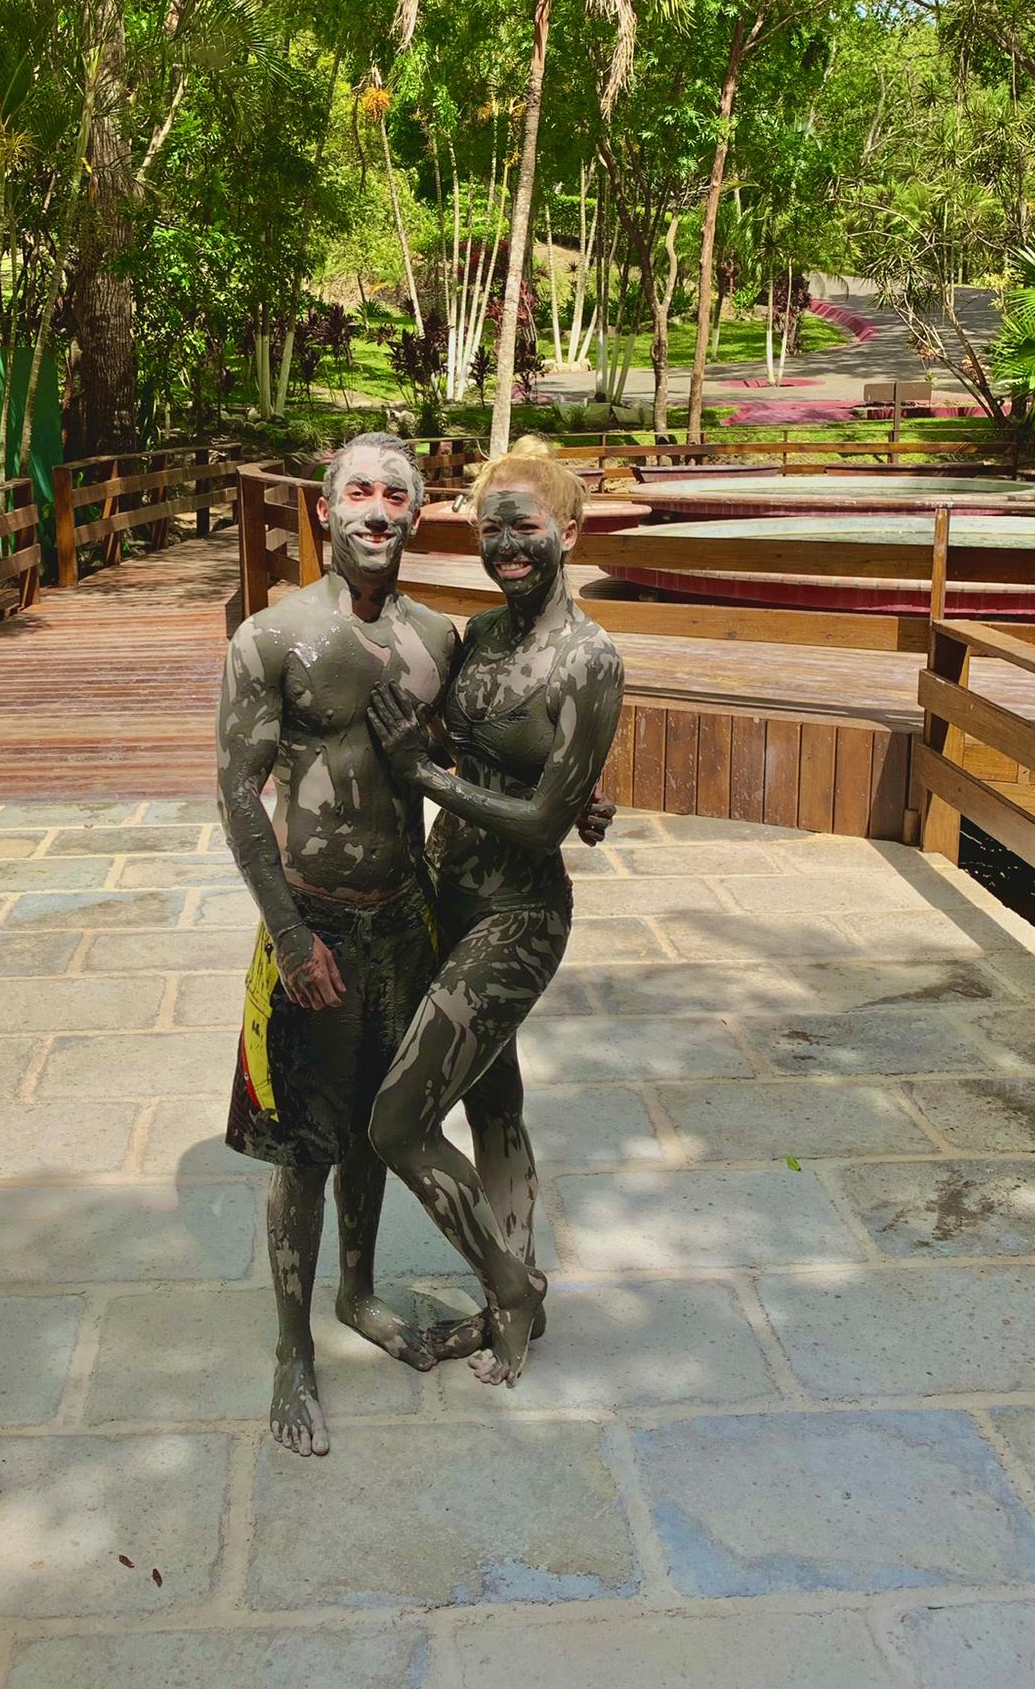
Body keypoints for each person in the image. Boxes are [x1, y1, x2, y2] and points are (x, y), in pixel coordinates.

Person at [366, 437, 626, 1388]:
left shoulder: (589, 661)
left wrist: (425, 776)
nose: (508, 543)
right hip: (448, 894)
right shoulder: (478, 639)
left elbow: (543, 820)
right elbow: (469, 743)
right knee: (492, 1096)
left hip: (518, 916)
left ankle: (511, 1287)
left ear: (570, 529)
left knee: (397, 1121)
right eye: (491, 527)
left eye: (527, 525)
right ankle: (508, 1291)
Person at [217, 433, 457, 1459]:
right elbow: (237, 792)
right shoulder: (273, 637)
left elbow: (486, 757)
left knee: (376, 1126)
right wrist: (290, 931)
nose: (374, 508)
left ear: (416, 511)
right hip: (309, 920)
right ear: (325, 508)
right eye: (356, 490)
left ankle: (357, 1290)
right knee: (304, 1151)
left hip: (406, 918)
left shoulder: (444, 638)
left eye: (393, 493)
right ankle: (289, 1346)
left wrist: (573, 799)